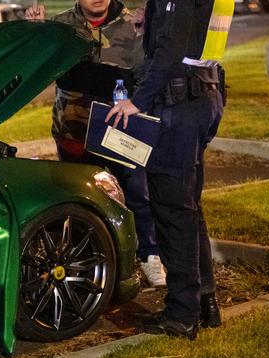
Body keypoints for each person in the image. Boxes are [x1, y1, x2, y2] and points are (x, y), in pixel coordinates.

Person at [106, 0, 233, 340]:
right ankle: (204, 304)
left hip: (179, 104)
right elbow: (186, 37)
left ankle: (181, 315)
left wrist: (138, 101)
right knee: (189, 209)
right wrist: (151, 26)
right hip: (201, 93)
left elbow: (173, 48)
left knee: (172, 209)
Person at [25, 0, 167, 287]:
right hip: (74, 129)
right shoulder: (59, 27)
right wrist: (35, 34)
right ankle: (84, 261)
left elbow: (151, 72)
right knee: (79, 197)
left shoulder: (135, 25)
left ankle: (149, 255)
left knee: (137, 193)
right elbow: (35, 70)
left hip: (121, 130)